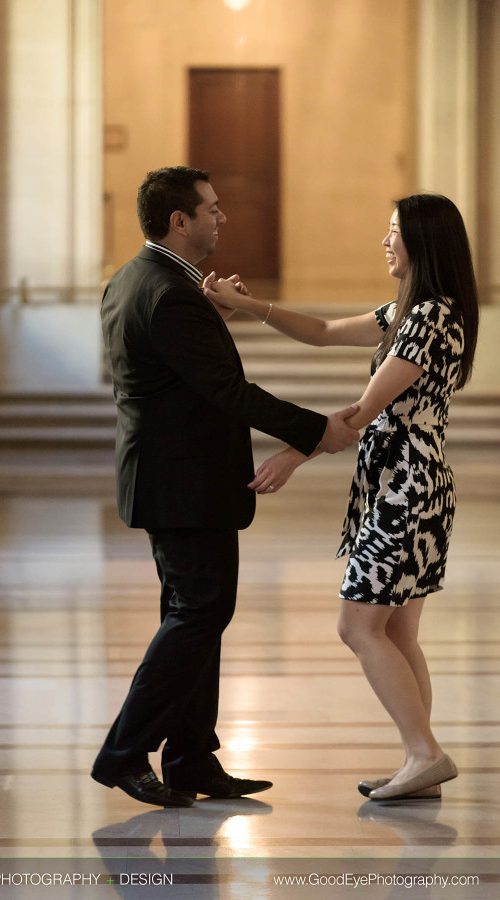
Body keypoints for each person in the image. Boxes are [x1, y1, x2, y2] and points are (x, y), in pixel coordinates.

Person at [91, 166, 359, 808]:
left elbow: (176, 371)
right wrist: (315, 429)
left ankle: (189, 757)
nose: (223, 217)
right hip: (183, 481)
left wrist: (217, 316)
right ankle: (124, 752)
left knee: (194, 612)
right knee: (199, 611)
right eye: (211, 208)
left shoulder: (135, 279)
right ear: (178, 220)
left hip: (169, 475)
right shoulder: (171, 292)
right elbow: (227, 392)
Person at [205, 193, 479, 801]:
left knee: (357, 625)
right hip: (414, 484)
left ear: (424, 244)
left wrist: (291, 455)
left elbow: (364, 411)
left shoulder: (432, 316)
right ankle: (419, 762)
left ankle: (423, 752)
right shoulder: (415, 310)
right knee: (399, 635)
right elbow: (325, 332)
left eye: (393, 233)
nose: (384, 243)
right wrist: (247, 306)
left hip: (408, 488)